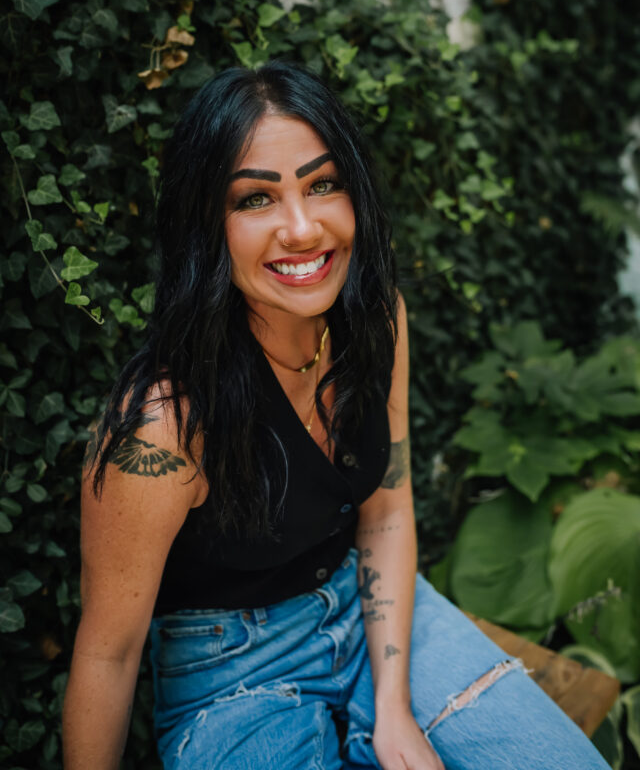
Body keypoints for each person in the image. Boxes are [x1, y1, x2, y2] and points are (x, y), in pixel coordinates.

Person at [63, 62, 609, 770]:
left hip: (366, 604)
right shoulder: (163, 427)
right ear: (206, 226)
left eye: (322, 185)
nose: (301, 227)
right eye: (255, 199)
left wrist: (394, 707)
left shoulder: (376, 321)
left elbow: (386, 512)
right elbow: (108, 656)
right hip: (233, 670)